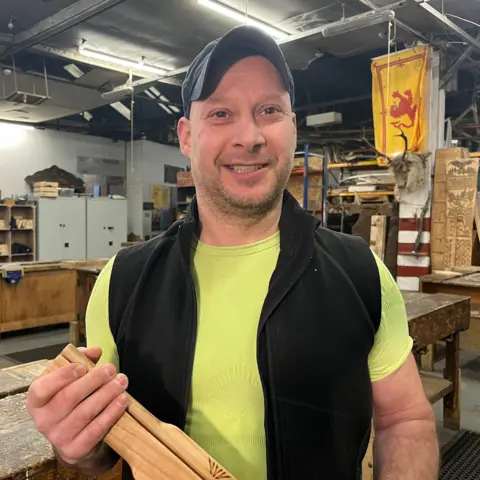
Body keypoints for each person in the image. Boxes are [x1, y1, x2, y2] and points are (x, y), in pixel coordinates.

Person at [26, 25, 439, 480]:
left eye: (269, 110)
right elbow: (105, 449)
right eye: (221, 113)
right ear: (186, 137)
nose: (250, 136)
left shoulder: (360, 271)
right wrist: (77, 441)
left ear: (293, 125)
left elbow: (405, 420)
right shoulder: (125, 281)